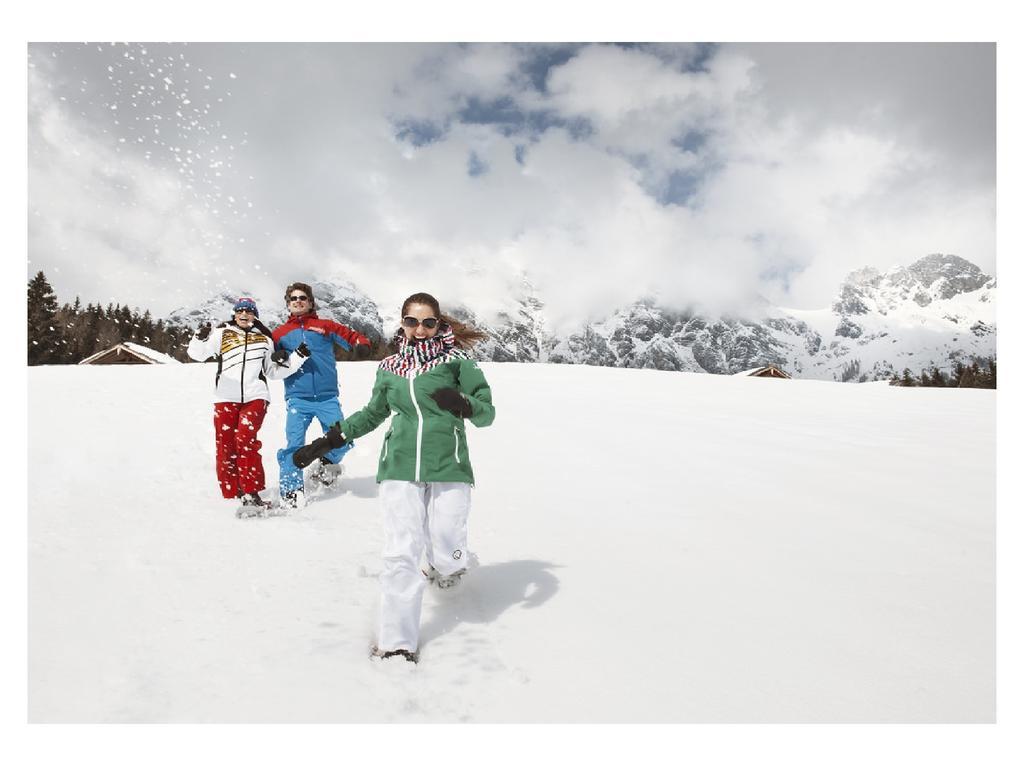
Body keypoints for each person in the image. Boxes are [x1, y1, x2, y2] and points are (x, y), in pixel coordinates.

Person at [292, 292, 495, 663]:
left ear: (439, 324)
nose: (420, 329)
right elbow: (373, 413)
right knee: (401, 552)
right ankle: (397, 641)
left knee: (448, 545)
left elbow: (487, 414)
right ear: (402, 323)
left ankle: (445, 564)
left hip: (449, 464)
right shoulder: (389, 367)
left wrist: (465, 404)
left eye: (428, 322)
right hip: (399, 464)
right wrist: (329, 439)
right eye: (411, 322)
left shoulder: (458, 362)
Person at [187, 297, 303, 516]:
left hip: (255, 396)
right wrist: (198, 339)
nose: (244, 314)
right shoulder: (222, 334)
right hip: (225, 396)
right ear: (235, 314)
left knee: (245, 440)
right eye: (240, 310)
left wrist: (293, 359)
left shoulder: (264, 339)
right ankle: (231, 492)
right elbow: (197, 355)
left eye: (248, 311)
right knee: (225, 445)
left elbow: (273, 371)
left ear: (254, 315)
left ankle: (251, 492)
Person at [272, 282, 372, 508]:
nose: (298, 301)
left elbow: (352, 336)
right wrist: (275, 355)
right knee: (294, 446)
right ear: (288, 304)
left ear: (310, 302)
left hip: (327, 398)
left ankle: (325, 465)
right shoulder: (279, 333)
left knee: (343, 439)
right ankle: (291, 494)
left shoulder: (324, 326)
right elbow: (267, 357)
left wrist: (361, 344)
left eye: (303, 298)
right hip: (298, 399)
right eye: (293, 298)